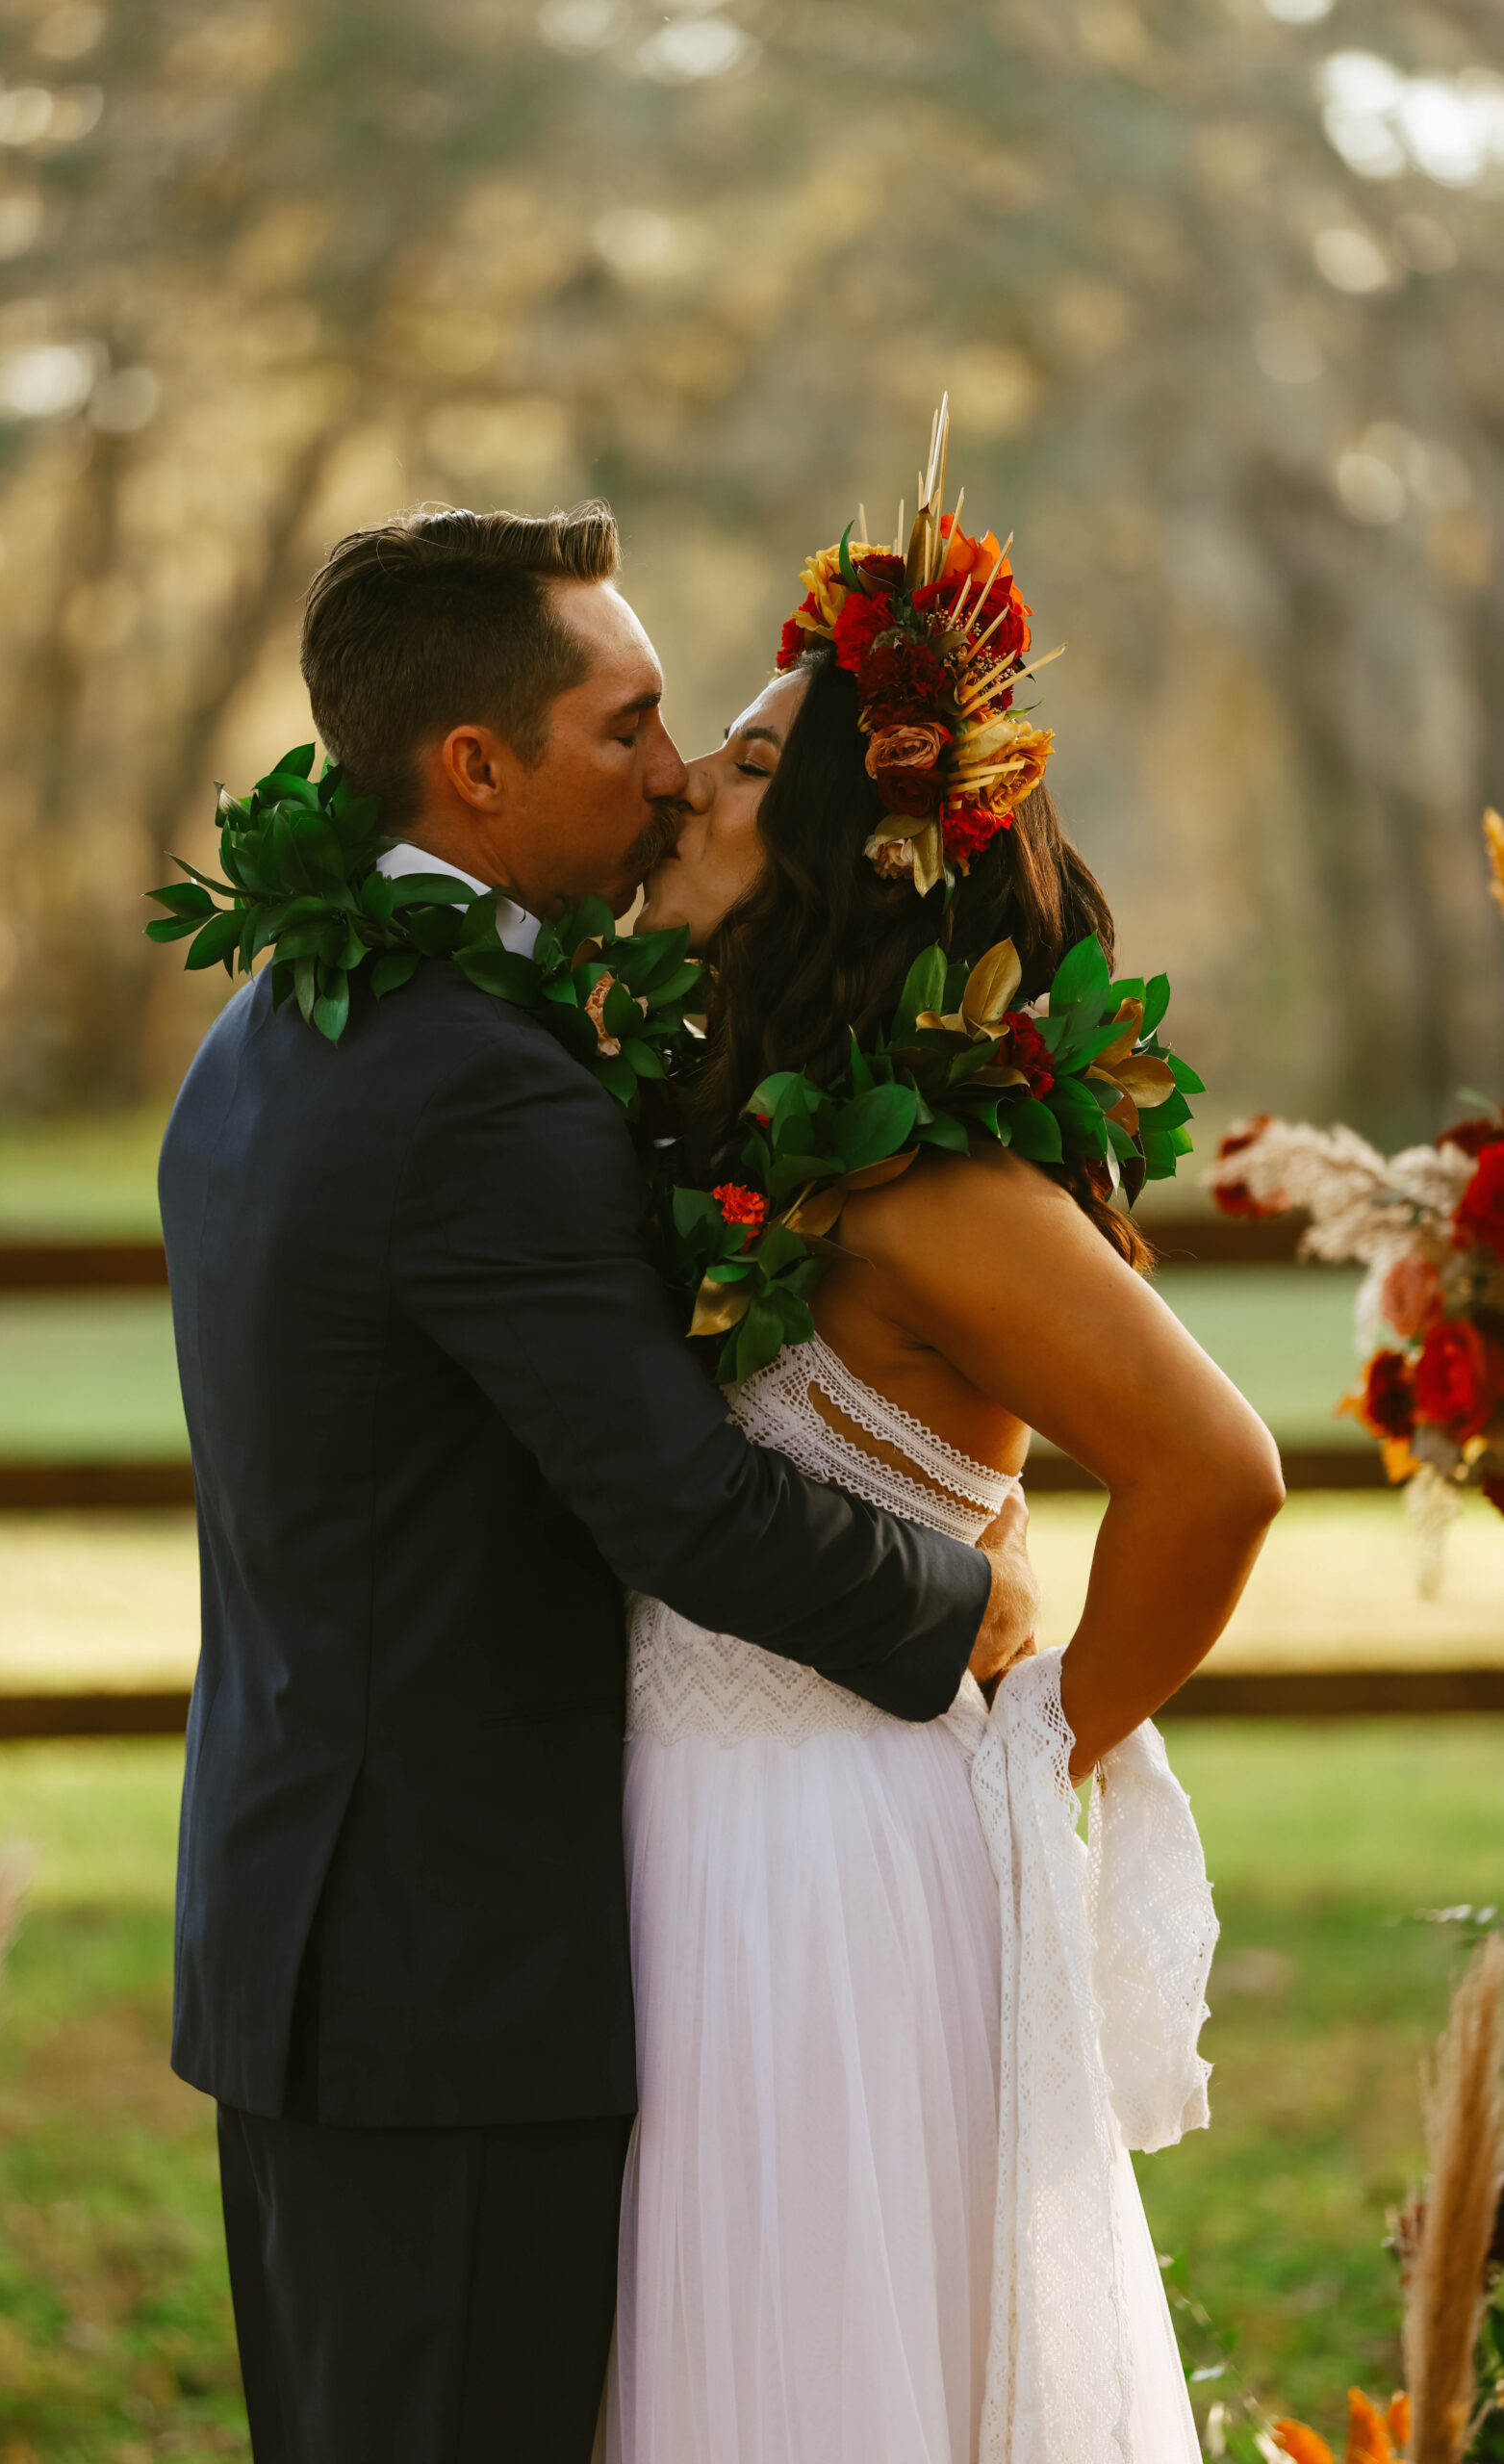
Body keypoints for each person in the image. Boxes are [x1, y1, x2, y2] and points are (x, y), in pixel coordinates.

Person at [156, 502, 1038, 2464]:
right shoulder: (477, 1075)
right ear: (474, 766)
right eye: (625, 723)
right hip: (452, 1976)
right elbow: (677, 1507)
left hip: (306, 1933)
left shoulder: (273, 1027)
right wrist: (952, 1601)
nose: (665, 770)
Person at [604, 574, 1285, 2460]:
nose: (683, 790)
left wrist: (1051, 1732)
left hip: (830, 1864)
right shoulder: (736, 1136)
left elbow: (1213, 1469)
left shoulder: (930, 1188)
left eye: (740, 765)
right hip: (675, 1841)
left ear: (844, 854)